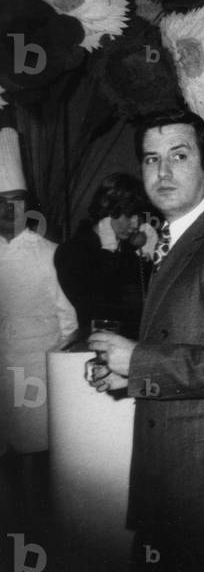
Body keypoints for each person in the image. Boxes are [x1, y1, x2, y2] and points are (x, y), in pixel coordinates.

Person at [87, 110, 204, 572]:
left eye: (179, 155)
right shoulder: (184, 238)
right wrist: (127, 376)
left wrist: (138, 360)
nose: (163, 172)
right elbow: (193, 347)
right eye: (151, 160)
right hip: (179, 486)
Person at [0, 126, 77, 510]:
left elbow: (70, 323)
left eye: (13, 201)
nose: (6, 210)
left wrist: (49, 369)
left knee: (34, 476)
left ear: (26, 203)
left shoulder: (50, 254)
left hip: (35, 378)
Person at [55, 172, 152, 341]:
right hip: (97, 348)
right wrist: (108, 251)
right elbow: (99, 307)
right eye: (129, 215)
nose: (136, 224)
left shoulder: (128, 251)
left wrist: (148, 255)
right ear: (108, 212)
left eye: (139, 216)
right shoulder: (72, 251)